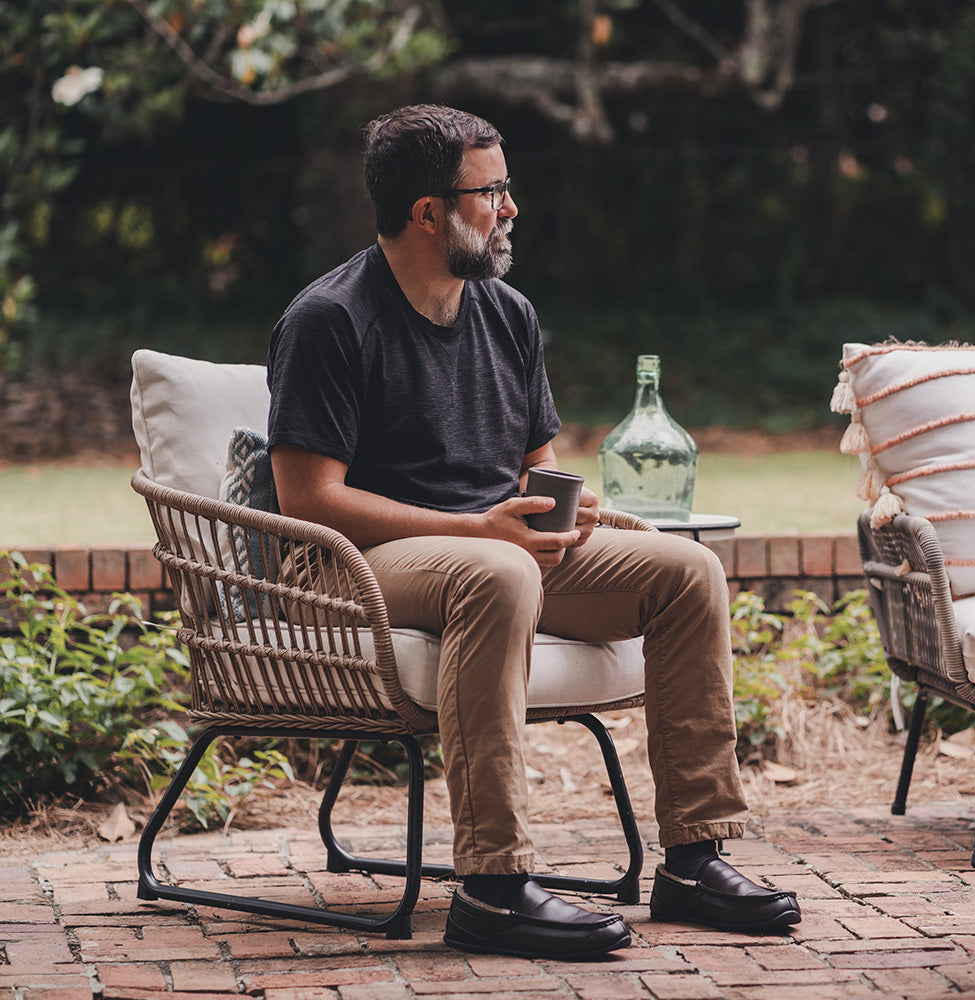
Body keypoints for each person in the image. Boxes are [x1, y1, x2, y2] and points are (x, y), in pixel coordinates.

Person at [266, 103, 801, 960]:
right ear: (428, 211)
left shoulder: (506, 313)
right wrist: (480, 529)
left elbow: (535, 464)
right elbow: (308, 501)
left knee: (685, 571)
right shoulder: (329, 319)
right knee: (500, 573)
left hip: (492, 547)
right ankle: (493, 886)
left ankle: (695, 860)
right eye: (492, 192)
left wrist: (560, 508)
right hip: (351, 564)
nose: (510, 208)